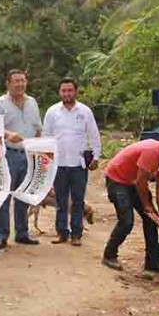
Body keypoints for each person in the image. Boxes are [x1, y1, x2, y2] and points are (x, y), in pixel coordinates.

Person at [101, 135, 159, 272]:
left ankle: (153, 263)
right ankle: (109, 255)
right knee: (126, 221)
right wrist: (147, 205)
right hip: (117, 179)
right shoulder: (152, 152)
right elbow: (141, 180)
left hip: (133, 182)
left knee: (152, 221)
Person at [42, 78, 101, 246]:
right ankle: (62, 233)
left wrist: (96, 157)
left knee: (78, 200)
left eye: (70, 90)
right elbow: (46, 136)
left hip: (79, 164)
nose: (67, 94)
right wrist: (46, 161)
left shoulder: (85, 112)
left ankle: (76, 234)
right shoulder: (53, 112)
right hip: (58, 164)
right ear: (59, 92)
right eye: (63, 91)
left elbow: (94, 134)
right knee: (60, 201)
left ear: (76, 91)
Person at [0, 69, 42, 249]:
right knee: (4, 195)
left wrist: (39, 150)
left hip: (28, 154)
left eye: (23, 81)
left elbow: (37, 129)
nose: (20, 84)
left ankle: (22, 233)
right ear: (8, 83)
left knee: (24, 195)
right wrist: (8, 134)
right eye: (16, 81)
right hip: (7, 155)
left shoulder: (32, 102)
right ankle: (1, 235)